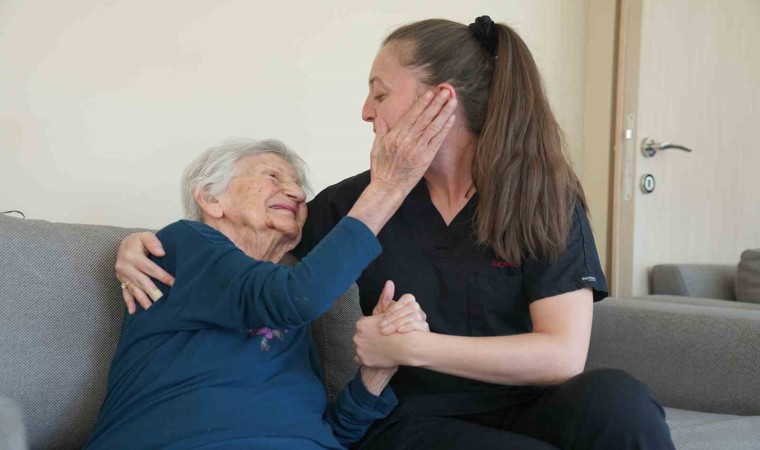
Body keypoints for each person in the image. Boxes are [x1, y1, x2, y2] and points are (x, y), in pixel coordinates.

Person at [114, 16, 675, 450]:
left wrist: (412, 347)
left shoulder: (542, 194)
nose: (365, 111)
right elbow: (263, 263)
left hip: (529, 399)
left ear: (442, 97)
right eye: (370, 96)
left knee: (619, 401)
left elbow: (561, 355)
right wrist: (138, 241)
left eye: (380, 94)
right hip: (417, 420)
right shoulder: (353, 204)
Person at [88, 88, 456, 449]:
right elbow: (299, 296)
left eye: (298, 184)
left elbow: (331, 433)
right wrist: (389, 187)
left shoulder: (286, 296)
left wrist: (377, 373)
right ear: (211, 198)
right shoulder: (183, 244)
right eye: (273, 177)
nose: (296, 193)